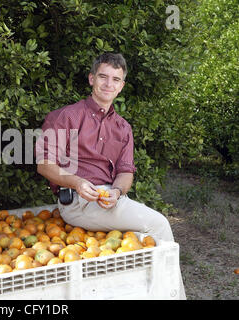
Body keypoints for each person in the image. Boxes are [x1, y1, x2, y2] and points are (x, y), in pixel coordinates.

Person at [35, 52, 186, 300]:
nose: (108, 84)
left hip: (109, 200)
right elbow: (44, 165)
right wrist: (77, 181)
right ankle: (175, 297)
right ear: (91, 79)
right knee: (159, 224)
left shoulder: (123, 127)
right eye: (103, 77)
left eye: (116, 79)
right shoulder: (66, 116)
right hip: (77, 200)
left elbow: (126, 173)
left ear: (121, 86)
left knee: (146, 238)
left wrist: (116, 192)